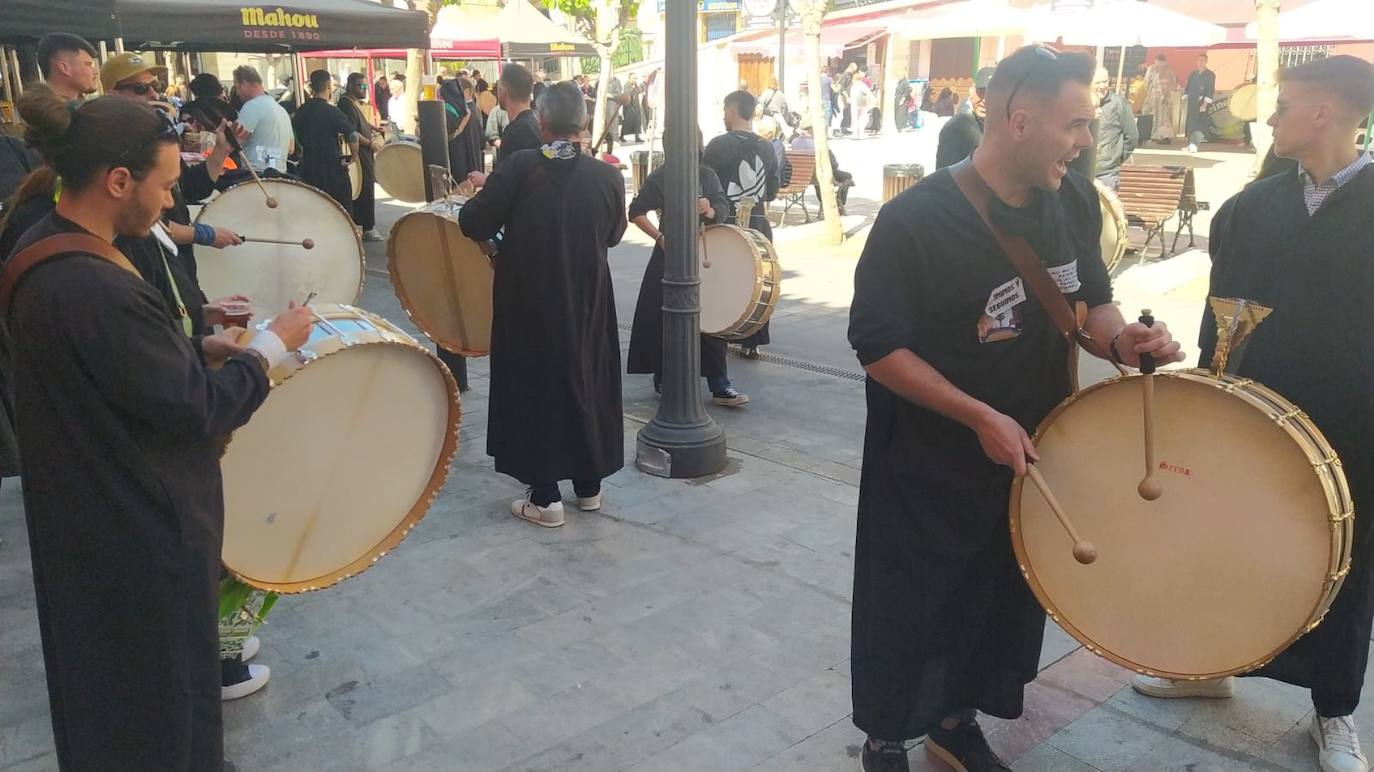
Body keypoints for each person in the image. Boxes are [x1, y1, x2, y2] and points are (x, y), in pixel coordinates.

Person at [847, 45, 1182, 772]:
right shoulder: (914, 221)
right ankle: (885, 738)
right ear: (1019, 119)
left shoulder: (1075, 201)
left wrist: (1124, 339)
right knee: (911, 604)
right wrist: (976, 415)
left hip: (1032, 454)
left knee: (993, 600)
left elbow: (1088, 304)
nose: (1087, 141)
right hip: (927, 464)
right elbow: (877, 347)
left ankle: (954, 721)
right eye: (1075, 124)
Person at [4, 93, 313, 772]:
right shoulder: (93, 286)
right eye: (169, 185)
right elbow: (199, 409)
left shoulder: (49, 246)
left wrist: (197, 345)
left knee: (115, 700)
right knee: (159, 706)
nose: (172, 200)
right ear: (119, 181)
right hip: (136, 536)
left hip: (90, 524)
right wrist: (267, 348)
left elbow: (120, 375)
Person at [1132, 56, 1374, 772]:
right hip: (1251, 424)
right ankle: (1207, 664)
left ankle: (1333, 712)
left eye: (1285, 104)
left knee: (1342, 565)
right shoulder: (1251, 208)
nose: (1270, 118)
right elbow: (1219, 322)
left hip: (1355, 428)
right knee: (1227, 546)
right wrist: (1208, 403)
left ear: (1325, 113)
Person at [457, 82, 627, 529]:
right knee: (585, 379)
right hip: (587, 300)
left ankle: (545, 495)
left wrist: (496, 245)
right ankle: (589, 485)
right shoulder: (608, 176)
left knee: (536, 388)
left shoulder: (519, 167)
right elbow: (612, 235)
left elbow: (471, 220)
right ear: (584, 124)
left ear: (541, 122)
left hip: (528, 300)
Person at [627, 128, 749, 407]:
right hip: (668, 256)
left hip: (704, 253)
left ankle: (720, 384)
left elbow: (722, 205)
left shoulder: (707, 175)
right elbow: (635, 211)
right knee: (664, 317)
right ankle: (663, 377)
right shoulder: (662, 176)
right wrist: (659, 238)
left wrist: (709, 209)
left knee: (713, 318)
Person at [704, 89, 780, 359]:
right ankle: (753, 339)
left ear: (732, 110)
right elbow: (771, 191)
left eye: (725, 110)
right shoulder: (767, 146)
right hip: (758, 224)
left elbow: (706, 183)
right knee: (758, 280)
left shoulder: (717, 146)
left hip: (726, 223)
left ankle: (720, 332)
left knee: (725, 280)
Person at [292, 70, 359, 215]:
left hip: (308, 166)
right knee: (340, 210)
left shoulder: (301, 111)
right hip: (332, 167)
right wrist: (354, 156)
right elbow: (352, 133)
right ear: (328, 86)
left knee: (314, 208)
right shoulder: (331, 111)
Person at [467, 63, 540, 187]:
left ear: (503, 91)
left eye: (499, 87)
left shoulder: (517, 131)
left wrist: (486, 181)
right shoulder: (535, 123)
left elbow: (511, 185)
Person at [339, 73, 386, 242]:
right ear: (350, 86)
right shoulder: (346, 104)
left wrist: (373, 128)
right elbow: (351, 130)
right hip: (360, 152)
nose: (364, 90)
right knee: (364, 187)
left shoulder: (352, 103)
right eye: (361, 86)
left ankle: (366, 225)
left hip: (364, 151)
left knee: (367, 187)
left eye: (366, 86)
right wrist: (370, 143)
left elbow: (360, 125)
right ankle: (366, 226)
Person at [233, 65, 294, 173]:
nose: (237, 93)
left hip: (255, 174)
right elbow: (290, 148)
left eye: (237, 87)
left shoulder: (251, 106)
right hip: (280, 174)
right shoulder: (281, 110)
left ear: (244, 84)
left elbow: (234, 141)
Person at [791, 119, 853, 215]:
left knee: (818, 179)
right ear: (811, 129)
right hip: (820, 174)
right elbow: (833, 164)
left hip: (804, 177)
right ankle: (838, 203)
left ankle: (826, 203)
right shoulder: (818, 143)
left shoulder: (794, 142)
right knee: (847, 176)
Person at [1091, 66, 1138, 191]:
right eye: (1097, 82)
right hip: (1084, 170)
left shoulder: (1119, 104)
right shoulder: (1081, 102)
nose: (1102, 86)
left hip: (1106, 174)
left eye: (1105, 82)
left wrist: (1116, 158)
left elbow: (1132, 137)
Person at [935, 70, 992, 170]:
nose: (984, 100)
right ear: (972, 90)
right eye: (981, 92)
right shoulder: (959, 126)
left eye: (991, 94)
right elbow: (946, 173)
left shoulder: (995, 123)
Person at [441, 77, 483, 182]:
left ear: (467, 91)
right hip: (472, 163)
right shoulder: (472, 109)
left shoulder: (464, 112)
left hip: (464, 165)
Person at [35, 32, 98, 102]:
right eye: (88, 65)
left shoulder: (86, 109)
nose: (95, 72)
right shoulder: (41, 111)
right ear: (64, 68)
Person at [1183, 53, 1216, 152]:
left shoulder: (1210, 75)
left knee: (1199, 124)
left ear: (1206, 62)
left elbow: (1210, 90)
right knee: (1191, 124)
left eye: (1202, 60)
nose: (1200, 63)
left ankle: (1195, 144)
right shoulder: (1193, 74)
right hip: (1192, 102)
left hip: (1202, 103)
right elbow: (1188, 87)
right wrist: (1186, 95)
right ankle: (1190, 144)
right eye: (1198, 60)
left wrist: (1205, 104)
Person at [1143, 53, 1177, 144]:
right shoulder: (1157, 69)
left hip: (1160, 96)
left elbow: (1146, 83)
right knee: (1161, 116)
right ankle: (1161, 135)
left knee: (1162, 117)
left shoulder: (1153, 69)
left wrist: (1150, 91)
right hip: (1158, 96)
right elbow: (1174, 84)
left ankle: (1160, 135)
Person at [850, 71, 874, 140]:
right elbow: (869, 94)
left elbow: (852, 96)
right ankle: (861, 134)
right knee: (862, 119)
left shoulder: (854, 86)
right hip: (863, 104)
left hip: (855, 104)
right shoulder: (863, 85)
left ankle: (855, 134)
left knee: (854, 119)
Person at [621, 73, 643, 143]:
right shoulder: (626, 85)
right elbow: (627, 94)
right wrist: (632, 88)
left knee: (637, 121)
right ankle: (622, 136)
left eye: (636, 78)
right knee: (627, 122)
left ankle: (637, 137)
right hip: (629, 106)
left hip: (635, 105)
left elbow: (639, 91)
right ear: (630, 78)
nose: (635, 80)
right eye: (634, 78)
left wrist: (636, 87)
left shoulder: (635, 85)